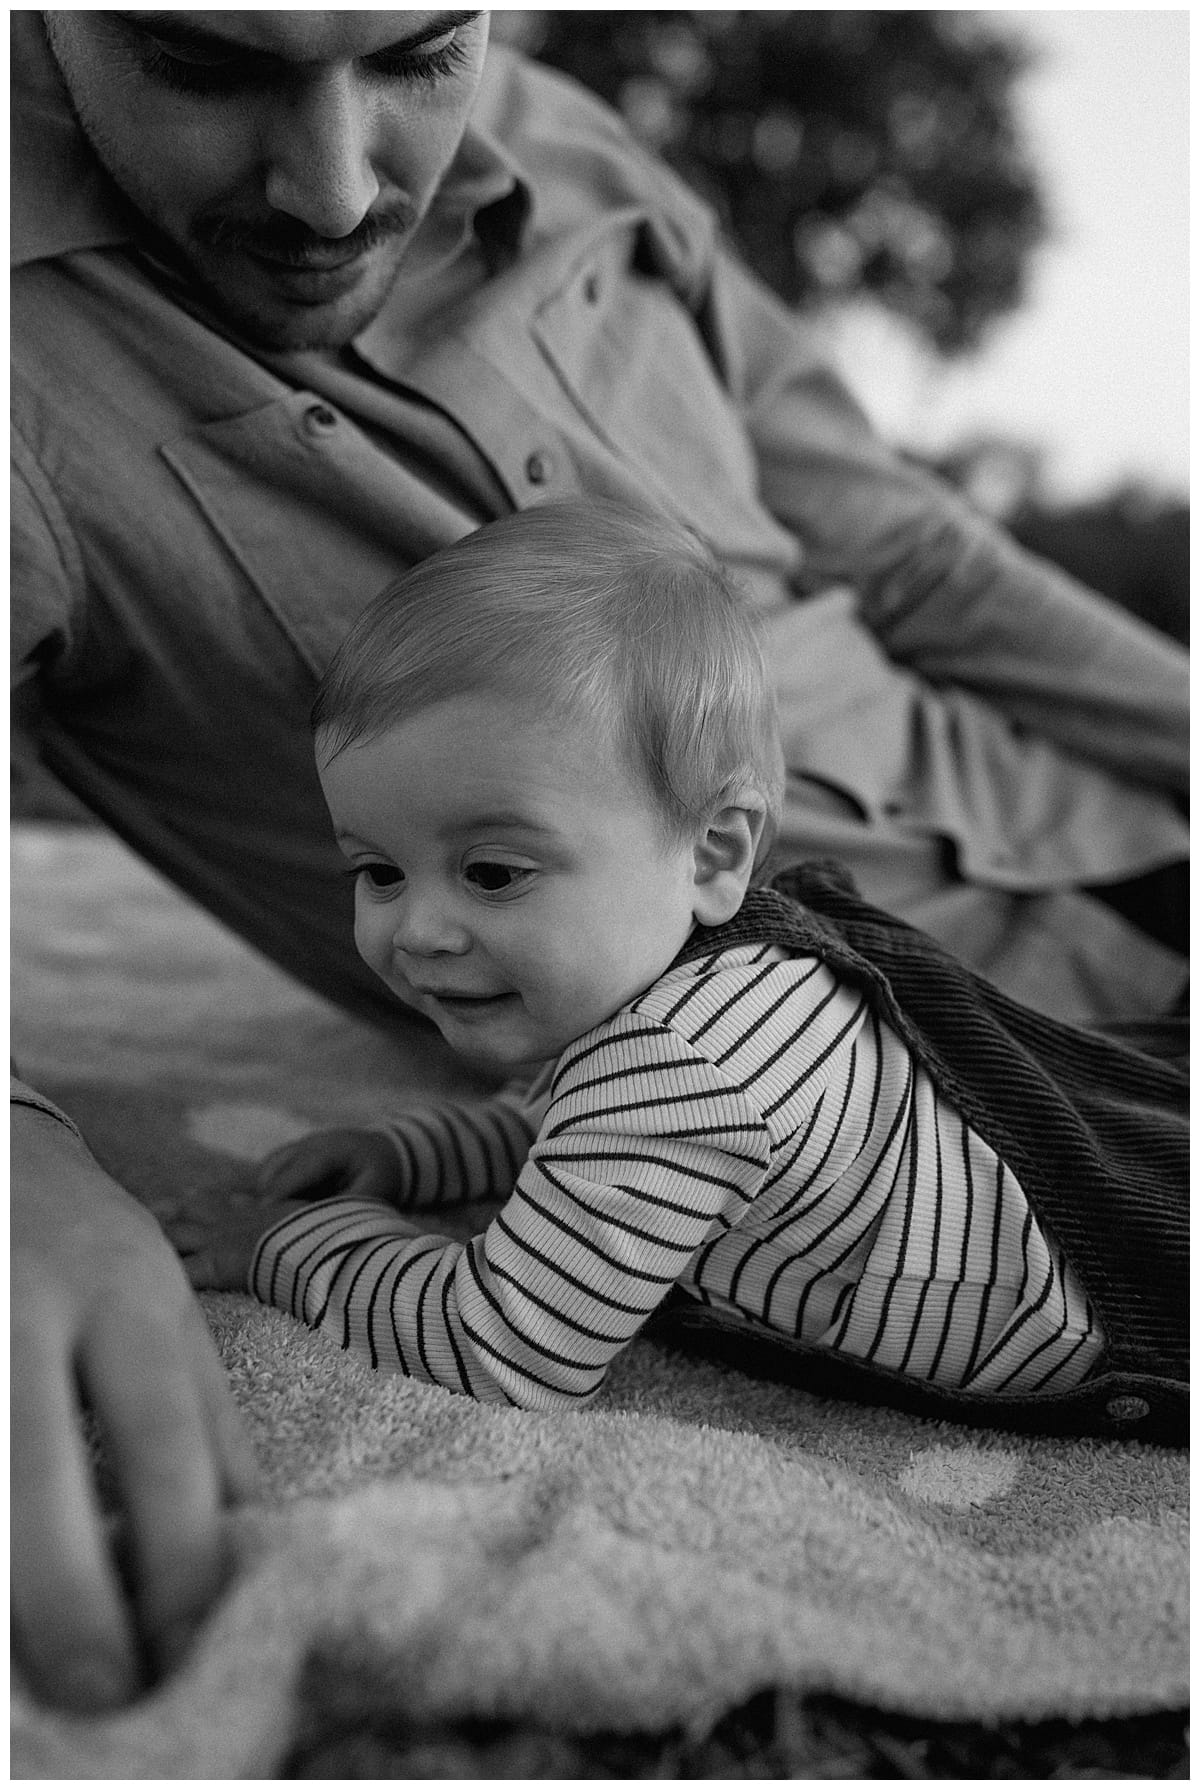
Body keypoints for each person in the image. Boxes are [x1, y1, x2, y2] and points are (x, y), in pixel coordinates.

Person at [10, 9, 1186, 1709]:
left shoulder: (579, 150)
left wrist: (291, 1244)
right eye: (208, 65)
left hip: (1109, 859)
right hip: (985, 1051)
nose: (336, 190)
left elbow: (918, 562)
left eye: (420, 52)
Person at [166, 499, 1185, 1438]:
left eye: (491, 870)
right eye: (378, 869)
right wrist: (419, 1156)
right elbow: (570, 1123)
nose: (418, 929)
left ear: (712, 853)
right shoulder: (690, 1007)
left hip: (1136, 1303)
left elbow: (505, 1344)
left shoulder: (678, 1064)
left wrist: (289, 1244)